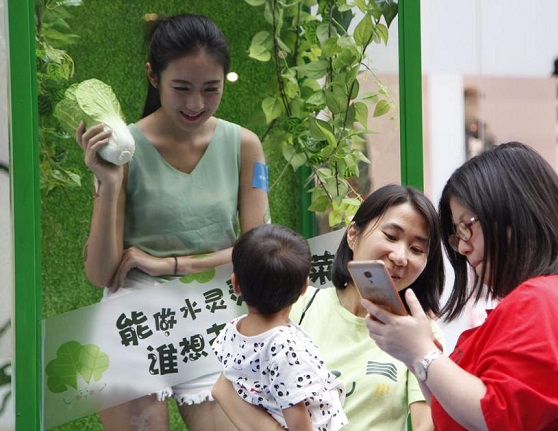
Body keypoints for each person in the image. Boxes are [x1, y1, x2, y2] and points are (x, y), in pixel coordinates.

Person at [76, 13, 269, 431]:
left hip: (213, 312)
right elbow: (100, 273)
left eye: (210, 89)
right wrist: (109, 183)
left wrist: (171, 264)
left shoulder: (244, 146)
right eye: (182, 88)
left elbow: (259, 253)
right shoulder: (122, 149)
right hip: (135, 320)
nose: (196, 104)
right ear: (153, 76)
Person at [363, 142, 558, 430]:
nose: (463, 247)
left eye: (466, 227)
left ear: (514, 215)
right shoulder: (553, 296)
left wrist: (422, 352)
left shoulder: (544, 299)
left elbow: (498, 414)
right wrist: (417, 354)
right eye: (457, 235)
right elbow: (457, 412)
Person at [214, 183, 447, 431]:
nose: (400, 257)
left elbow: (426, 424)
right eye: (391, 236)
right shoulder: (296, 305)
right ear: (353, 235)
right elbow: (226, 389)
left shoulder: (421, 332)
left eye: (417, 249)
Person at [212, 224, 348, 431]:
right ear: (304, 287)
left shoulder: (232, 329)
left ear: (236, 284)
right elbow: (297, 419)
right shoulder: (286, 350)